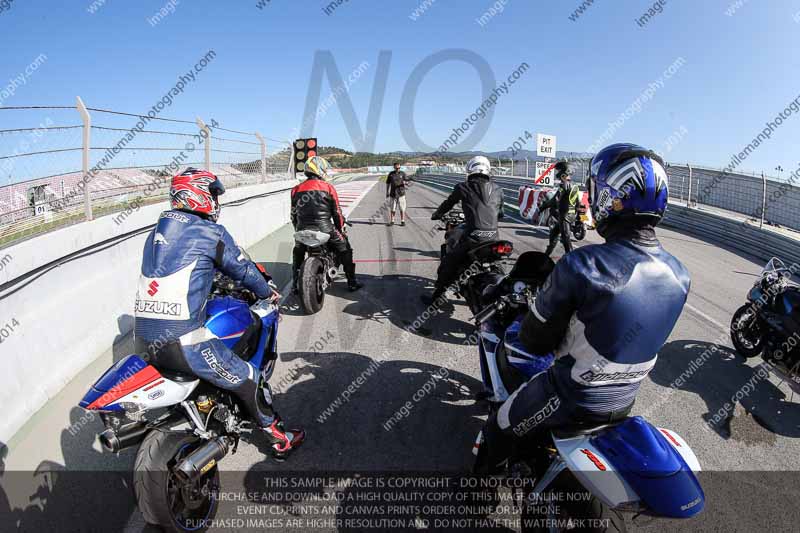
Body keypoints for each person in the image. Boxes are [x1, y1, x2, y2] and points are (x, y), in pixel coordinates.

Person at [478, 143, 690, 473]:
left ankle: (478, 497)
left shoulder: (583, 265)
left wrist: (534, 314)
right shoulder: (680, 275)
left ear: (610, 195)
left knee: (496, 427)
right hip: (624, 401)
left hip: (571, 397)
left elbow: (534, 342)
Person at [134, 168, 305, 459]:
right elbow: (242, 268)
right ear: (198, 194)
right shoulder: (207, 231)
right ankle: (279, 437)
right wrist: (267, 292)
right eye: (213, 193)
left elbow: (183, 270)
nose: (215, 200)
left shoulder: (157, 232)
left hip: (144, 340)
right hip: (184, 343)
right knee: (250, 377)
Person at [421, 156, 504, 305]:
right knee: (496, 261)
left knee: (448, 264)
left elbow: (448, 203)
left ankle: (436, 298)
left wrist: (437, 214)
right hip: (494, 238)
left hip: (473, 238)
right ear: (487, 170)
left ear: (470, 170)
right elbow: (501, 214)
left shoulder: (463, 187)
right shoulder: (498, 189)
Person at [291, 156, 362, 292]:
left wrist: (297, 229)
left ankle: (295, 284)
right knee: (345, 247)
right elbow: (337, 213)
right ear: (319, 169)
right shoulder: (328, 187)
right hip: (325, 228)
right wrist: (340, 228)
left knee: (298, 251)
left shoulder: (295, 189)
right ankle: (352, 282)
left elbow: (293, 214)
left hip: (302, 229)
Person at [539, 161, 576, 257]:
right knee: (554, 234)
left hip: (564, 216)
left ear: (564, 172)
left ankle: (572, 260)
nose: (557, 173)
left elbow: (554, 200)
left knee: (566, 239)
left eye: (559, 170)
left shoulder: (564, 185)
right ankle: (546, 255)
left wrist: (542, 207)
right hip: (569, 215)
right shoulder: (574, 185)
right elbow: (577, 201)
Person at [386, 162, 409, 226]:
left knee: (402, 208)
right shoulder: (391, 174)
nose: (398, 169)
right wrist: (387, 192)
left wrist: (406, 183)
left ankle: (402, 221)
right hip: (393, 194)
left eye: (399, 168)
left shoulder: (403, 173)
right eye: (396, 168)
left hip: (401, 194)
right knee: (392, 208)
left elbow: (407, 181)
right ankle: (392, 221)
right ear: (394, 167)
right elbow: (388, 183)